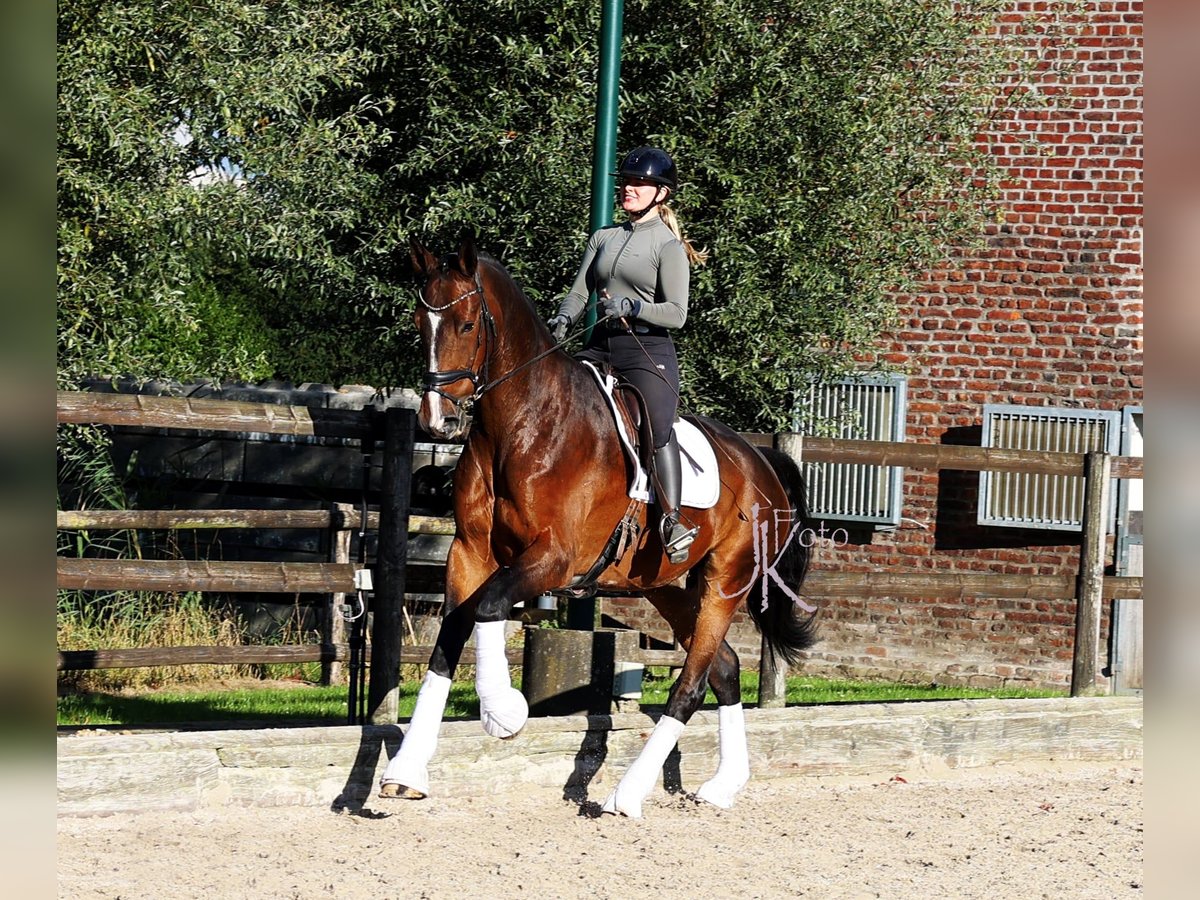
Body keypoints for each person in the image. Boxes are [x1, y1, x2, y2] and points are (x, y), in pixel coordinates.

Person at [547, 146, 709, 563]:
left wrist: (635, 307)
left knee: (657, 426)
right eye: (627, 181)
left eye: (639, 183)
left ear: (661, 194)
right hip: (599, 344)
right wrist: (563, 318)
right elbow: (581, 291)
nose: (628, 188)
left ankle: (672, 519)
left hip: (646, 348)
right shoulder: (604, 237)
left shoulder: (668, 246)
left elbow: (677, 313)